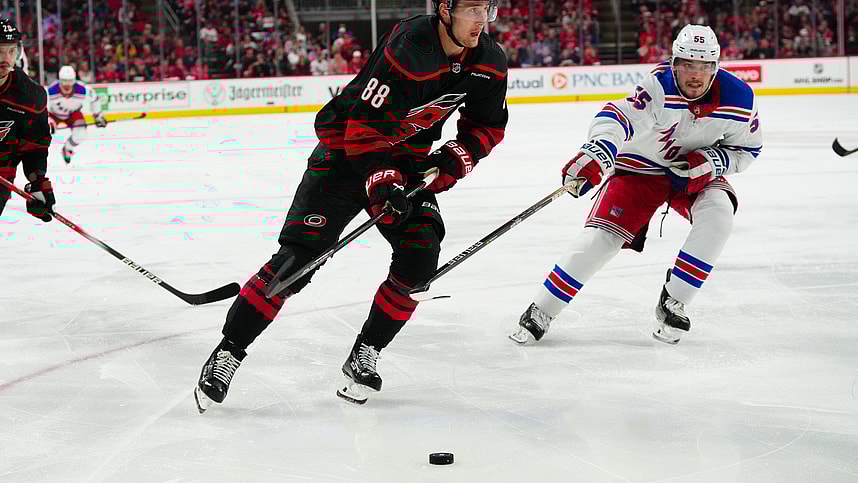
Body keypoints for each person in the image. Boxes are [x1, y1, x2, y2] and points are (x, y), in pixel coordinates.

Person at [194, 0, 508, 412]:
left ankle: (365, 353)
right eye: (471, 9)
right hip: (345, 156)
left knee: (420, 256)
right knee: (296, 261)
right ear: (444, 10)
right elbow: (365, 128)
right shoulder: (412, 45)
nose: (481, 20)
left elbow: (486, 125)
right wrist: (383, 183)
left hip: (407, 162)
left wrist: (456, 157)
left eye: (487, 8)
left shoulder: (490, 61)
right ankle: (228, 352)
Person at [509, 24, 763, 346]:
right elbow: (617, 116)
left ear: (715, 67)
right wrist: (599, 150)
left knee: (719, 213)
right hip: (639, 168)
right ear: (674, 64)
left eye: (704, 67)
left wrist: (714, 161)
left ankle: (675, 300)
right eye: (687, 65)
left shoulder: (740, 98)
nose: (695, 75)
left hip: (691, 172)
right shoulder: (658, 86)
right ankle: (543, 308)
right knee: (601, 239)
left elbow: (748, 149)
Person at [0, 19, 53, 223]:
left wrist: (37, 181)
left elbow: (35, 145)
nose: (6, 58)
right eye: (0, 50)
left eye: (11, 51)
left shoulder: (29, 96)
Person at [46, 65, 106, 164]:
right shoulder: (50, 91)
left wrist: (98, 116)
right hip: (53, 115)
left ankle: (68, 148)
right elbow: (44, 109)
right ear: (60, 80)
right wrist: (49, 122)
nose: (67, 85)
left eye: (70, 81)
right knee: (44, 132)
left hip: (73, 114)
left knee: (81, 134)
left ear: (74, 80)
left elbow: (94, 100)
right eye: (64, 81)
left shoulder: (83, 90)